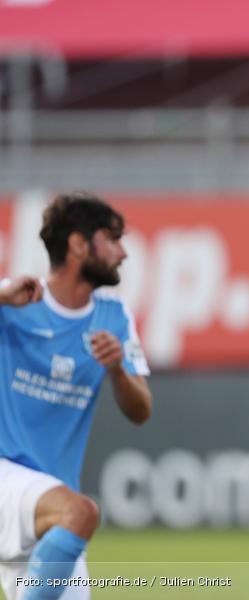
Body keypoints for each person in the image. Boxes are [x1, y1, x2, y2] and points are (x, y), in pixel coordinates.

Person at [0, 193, 152, 600]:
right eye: (112, 239)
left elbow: (141, 410)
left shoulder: (114, 316)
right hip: (6, 477)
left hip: (49, 507)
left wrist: (117, 369)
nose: (123, 253)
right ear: (79, 244)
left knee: (74, 514)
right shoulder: (15, 300)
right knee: (82, 511)